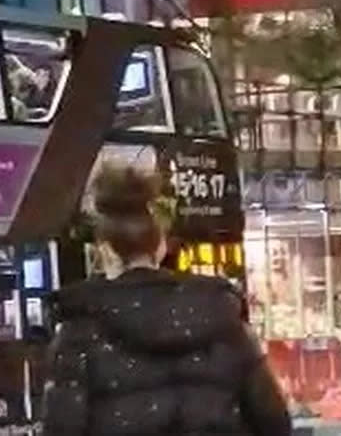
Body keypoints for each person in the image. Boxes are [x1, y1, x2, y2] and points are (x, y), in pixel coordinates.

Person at [41, 164, 291, 436]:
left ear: (106, 250)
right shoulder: (223, 318)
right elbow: (274, 422)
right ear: (159, 246)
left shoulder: (79, 332)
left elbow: (62, 427)